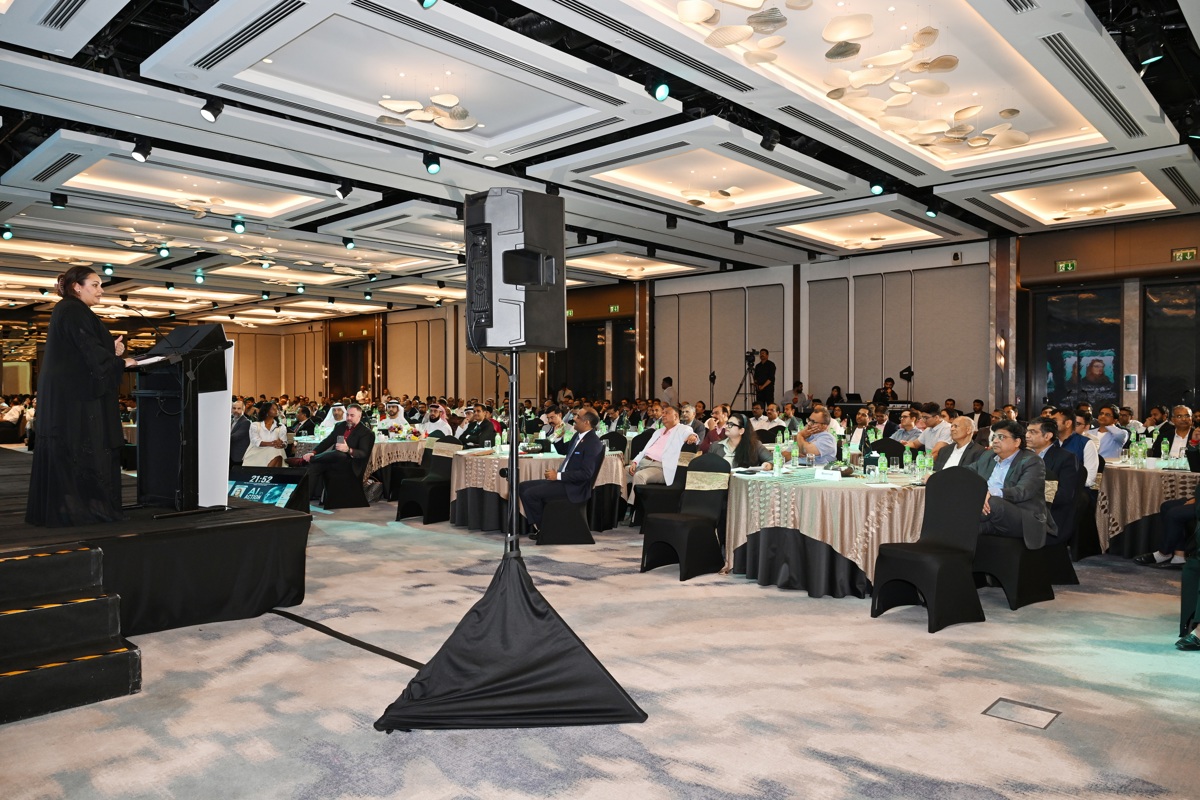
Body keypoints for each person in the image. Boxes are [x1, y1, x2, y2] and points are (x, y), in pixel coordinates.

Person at [26, 267, 138, 527]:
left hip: (69, 395)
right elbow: (88, 351)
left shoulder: (70, 310)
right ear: (77, 286)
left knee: (71, 452)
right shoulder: (73, 310)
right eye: (95, 285)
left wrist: (110, 350)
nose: (101, 290)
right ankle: (85, 510)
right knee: (83, 450)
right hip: (76, 400)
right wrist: (121, 362)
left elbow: (80, 351)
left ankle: (75, 508)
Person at [967, 419, 1057, 549]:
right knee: (965, 528)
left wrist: (988, 493)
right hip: (990, 515)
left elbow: (1023, 491)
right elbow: (967, 472)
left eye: (1001, 437)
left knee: (993, 502)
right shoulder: (988, 456)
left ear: (1017, 442)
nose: (995, 441)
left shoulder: (1032, 461)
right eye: (994, 437)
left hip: (1021, 516)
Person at [517, 410, 606, 537]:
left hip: (575, 487)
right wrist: (558, 436)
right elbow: (563, 451)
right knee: (522, 487)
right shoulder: (578, 436)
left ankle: (546, 530)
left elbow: (586, 474)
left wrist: (558, 476)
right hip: (564, 481)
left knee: (530, 494)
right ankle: (543, 527)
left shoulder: (593, 443)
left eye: (578, 416)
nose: (574, 418)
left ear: (586, 422)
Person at [626, 405, 700, 504]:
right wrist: (635, 461)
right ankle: (620, 504)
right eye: (663, 413)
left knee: (640, 476)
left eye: (667, 413)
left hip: (661, 467)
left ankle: (634, 506)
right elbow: (644, 450)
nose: (663, 415)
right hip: (644, 462)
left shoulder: (682, 429)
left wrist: (693, 436)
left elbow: (691, 434)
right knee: (623, 472)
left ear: (676, 416)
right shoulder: (658, 431)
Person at [302, 403, 374, 503]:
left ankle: (307, 459)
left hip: (351, 465)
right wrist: (313, 452)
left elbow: (363, 453)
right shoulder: (340, 426)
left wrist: (348, 450)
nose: (349, 418)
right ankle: (304, 499)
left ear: (359, 416)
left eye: (352, 415)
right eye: (347, 415)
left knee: (339, 453)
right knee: (314, 466)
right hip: (335, 461)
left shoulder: (365, 432)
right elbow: (327, 441)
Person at [1026, 417, 1082, 545]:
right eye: (1027, 431)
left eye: (1033, 432)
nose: (1027, 435)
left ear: (1047, 436)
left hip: (1049, 513)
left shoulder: (1065, 458)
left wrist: (1028, 498)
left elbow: (1064, 495)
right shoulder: (1023, 456)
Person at [243, 401, 287, 468]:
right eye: (273, 409)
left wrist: (281, 444)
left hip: (275, 451)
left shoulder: (281, 427)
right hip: (257, 451)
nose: (276, 410)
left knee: (277, 451)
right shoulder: (255, 425)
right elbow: (255, 441)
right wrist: (272, 443)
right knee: (276, 451)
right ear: (266, 411)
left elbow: (284, 442)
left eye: (277, 409)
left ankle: (268, 472)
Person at [230, 399, 251, 464]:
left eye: (239, 408)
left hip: (238, 457)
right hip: (230, 455)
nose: (236, 410)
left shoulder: (246, 422)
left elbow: (234, 437)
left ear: (243, 410)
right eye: (234, 408)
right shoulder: (231, 420)